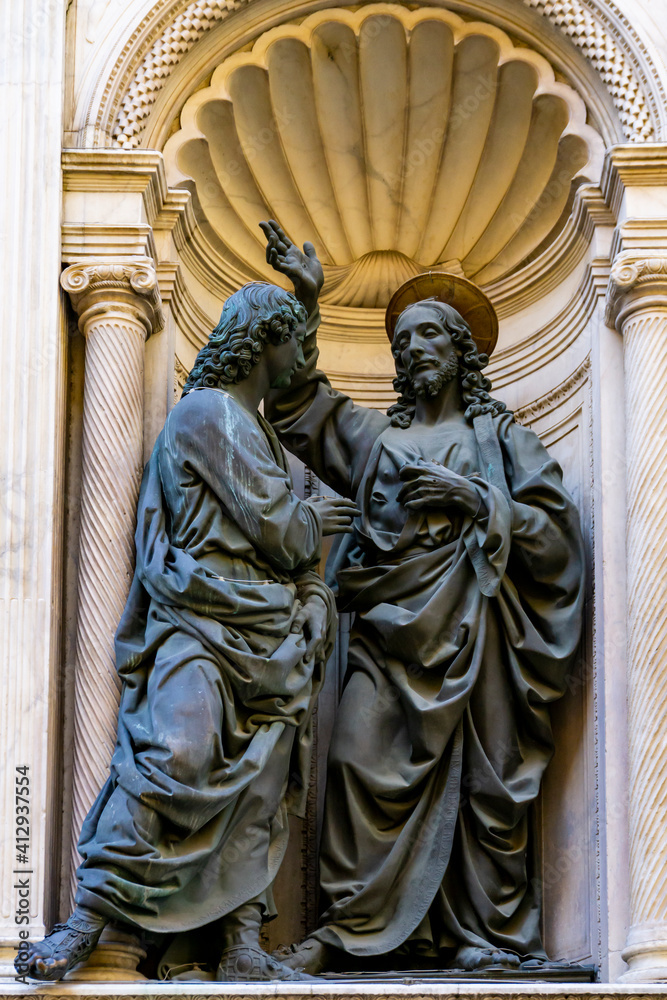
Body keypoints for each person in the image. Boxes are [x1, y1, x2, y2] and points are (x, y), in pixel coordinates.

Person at [260, 221, 585, 974]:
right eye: (402, 341)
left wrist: (477, 499)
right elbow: (297, 407)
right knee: (354, 764)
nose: (413, 350)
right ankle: (351, 928)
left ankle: (483, 934)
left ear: (460, 351)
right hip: (386, 634)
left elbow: (556, 534)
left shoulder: (499, 437)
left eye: (428, 336)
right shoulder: (377, 442)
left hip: (476, 630)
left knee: (488, 785)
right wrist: (306, 303)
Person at [17, 281, 359, 983]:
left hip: (269, 632)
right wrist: (311, 521)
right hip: (202, 618)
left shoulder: (256, 427)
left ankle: (240, 942)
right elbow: (280, 529)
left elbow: (278, 524)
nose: (304, 352)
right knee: (175, 752)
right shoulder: (206, 413)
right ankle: (87, 920)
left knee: (261, 783)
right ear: (265, 340)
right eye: (296, 336)